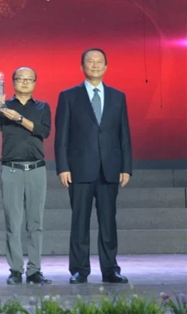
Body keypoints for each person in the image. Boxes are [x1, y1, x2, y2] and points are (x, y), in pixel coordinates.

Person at [55, 48, 132, 284]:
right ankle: (79, 269)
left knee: (108, 222)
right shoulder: (68, 96)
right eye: (90, 61)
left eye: (100, 62)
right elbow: (62, 136)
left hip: (110, 168)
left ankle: (110, 269)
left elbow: (124, 134)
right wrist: (63, 167)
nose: (95, 65)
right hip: (79, 169)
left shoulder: (118, 96)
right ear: (82, 66)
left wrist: (126, 167)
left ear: (106, 66)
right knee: (80, 221)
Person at [0, 67, 52, 285]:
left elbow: (44, 131)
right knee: (13, 223)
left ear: (35, 83)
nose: (24, 82)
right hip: (11, 169)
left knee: (35, 223)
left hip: (36, 169)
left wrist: (20, 119)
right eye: (20, 79)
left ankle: (34, 270)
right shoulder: (4, 106)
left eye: (29, 79)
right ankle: (15, 269)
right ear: (13, 82)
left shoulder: (42, 107)